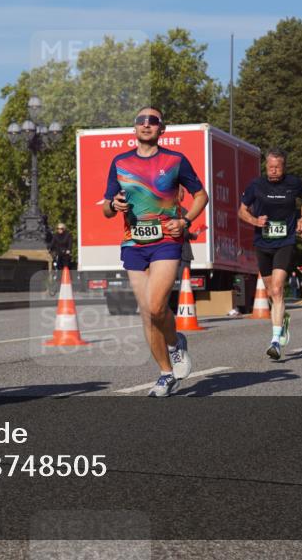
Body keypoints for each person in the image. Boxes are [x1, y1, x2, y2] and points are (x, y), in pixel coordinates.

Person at [103, 107, 207, 397]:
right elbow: (105, 207)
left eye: (153, 121)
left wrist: (185, 221)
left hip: (165, 241)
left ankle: (174, 343)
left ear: (163, 129)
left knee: (157, 306)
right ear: (133, 128)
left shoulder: (175, 160)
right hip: (133, 243)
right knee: (147, 314)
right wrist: (114, 205)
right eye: (141, 121)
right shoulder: (120, 162)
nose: (146, 125)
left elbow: (201, 196)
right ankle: (165, 373)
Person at [238, 147, 302, 360]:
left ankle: (275, 341)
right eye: (270, 167)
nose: (273, 171)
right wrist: (254, 220)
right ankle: (283, 318)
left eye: (277, 167)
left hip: (285, 242)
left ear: (284, 167)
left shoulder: (293, 183)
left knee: (277, 289)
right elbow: (242, 210)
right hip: (263, 242)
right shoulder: (256, 185)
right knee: (270, 291)